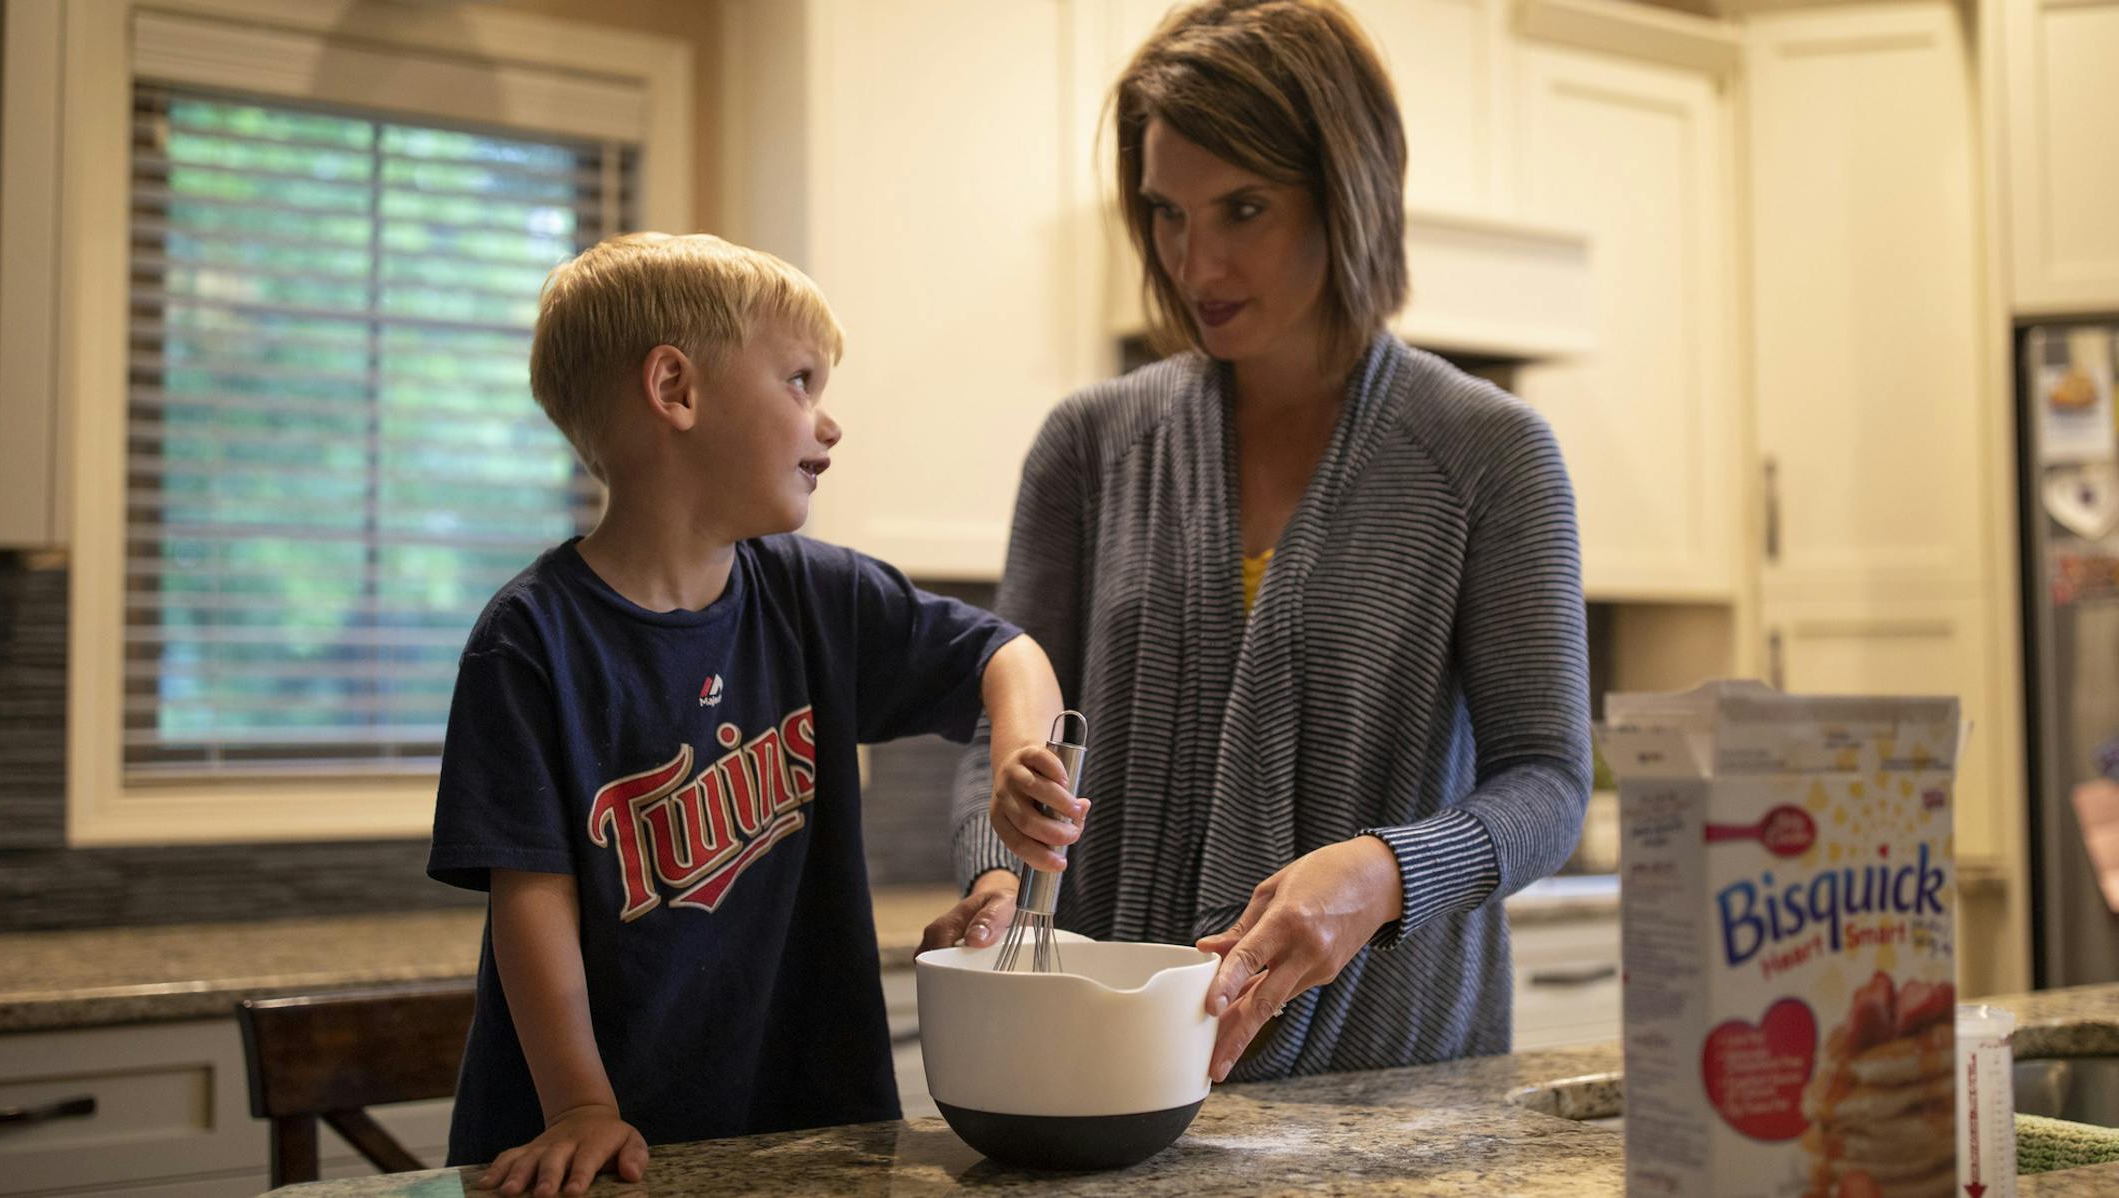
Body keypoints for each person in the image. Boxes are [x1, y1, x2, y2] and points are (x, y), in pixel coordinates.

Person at [921, 0, 1591, 1087]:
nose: (1198, 263)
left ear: (1347, 196)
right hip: (1110, 1075)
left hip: (1394, 1087)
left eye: (1243, 209)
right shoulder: (1089, 448)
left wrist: (1383, 873)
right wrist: (1000, 878)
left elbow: (1549, 781)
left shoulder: (1490, 456)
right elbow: (1006, 733)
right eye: (1167, 214)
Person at [428, 233, 1077, 1196]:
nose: (830, 424)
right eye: (800, 382)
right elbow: (533, 902)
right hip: (603, 1152)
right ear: (676, 390)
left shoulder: (816, 596)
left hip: (811, 1134)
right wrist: (577, 1107)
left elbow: (1006, 651)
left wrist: (1022, 752)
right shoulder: (531, 640)